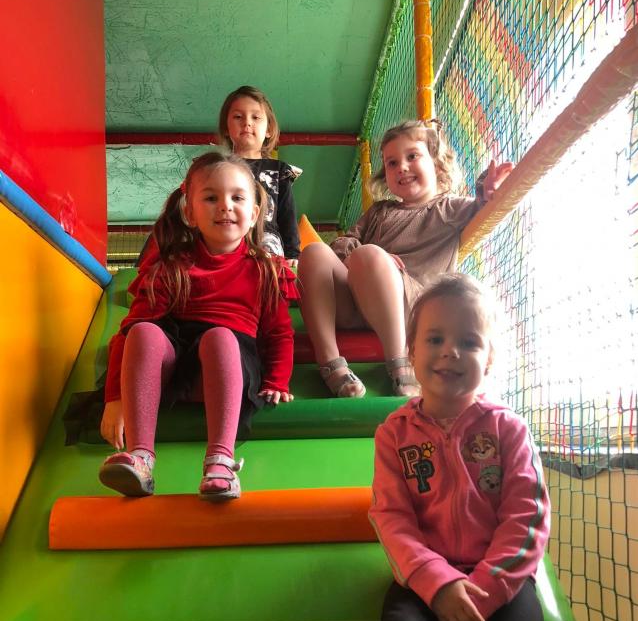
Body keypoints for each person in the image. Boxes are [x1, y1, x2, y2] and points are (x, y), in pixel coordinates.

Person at [309, 273, 580, 621]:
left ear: (490, 358)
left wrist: (483, 589)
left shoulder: (508, 430)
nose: (450, 352)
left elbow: (526, 516)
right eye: (434, 339)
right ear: (410, 351)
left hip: (500, 584)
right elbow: (392, 519)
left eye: (469, 341)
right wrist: (438, 584)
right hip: (423, 580)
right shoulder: (394, 433)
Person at [98, 151, 297, 501]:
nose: (225, 206)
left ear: (254, 214)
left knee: (219, 337)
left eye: (237, 198)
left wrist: (277, 380)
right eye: (211, 198)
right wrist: (115, 397)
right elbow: (127, 333)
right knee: (144, 331)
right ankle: (141, 457)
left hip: (228, 368)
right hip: (174, 371)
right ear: (190, 213)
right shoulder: (171, 266)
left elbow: (279, 332)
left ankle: (221, 460)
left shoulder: (265, 269)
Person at [297, 119, 512, 399]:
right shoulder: (379, 212)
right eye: (392, 163)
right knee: (314, 252)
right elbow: (343, 243)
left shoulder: (448, 208)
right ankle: (330, 362)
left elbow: (483, 210)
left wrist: (489, 191)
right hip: (358, 303)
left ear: (437, 164)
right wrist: (355, 257)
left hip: (412, 309)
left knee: (369, 254)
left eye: (412, 156)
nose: (402, 167)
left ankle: (401, 361)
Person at [218, 85, 301, 263]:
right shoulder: (217, 168)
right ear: (226, 127)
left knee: (266, 247)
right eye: (238, 117)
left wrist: (293, 254)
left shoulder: (279, 170)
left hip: (267, 241)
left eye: (255, 117)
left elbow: (287, 215)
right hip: (228, 235)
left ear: (269, 129)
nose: (247, 122)